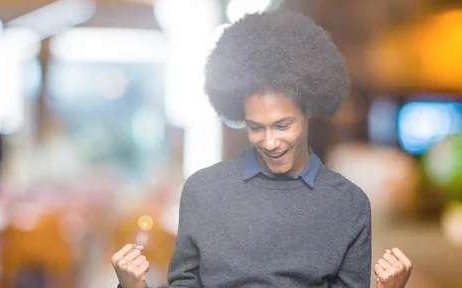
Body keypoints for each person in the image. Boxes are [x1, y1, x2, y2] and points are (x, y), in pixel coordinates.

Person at [111, 11, 411, 287]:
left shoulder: (348, 204)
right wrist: (133, 286)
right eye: (256, 127)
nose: (269, 142)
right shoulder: (203, 192)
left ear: (309, 112)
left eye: (283, 125)